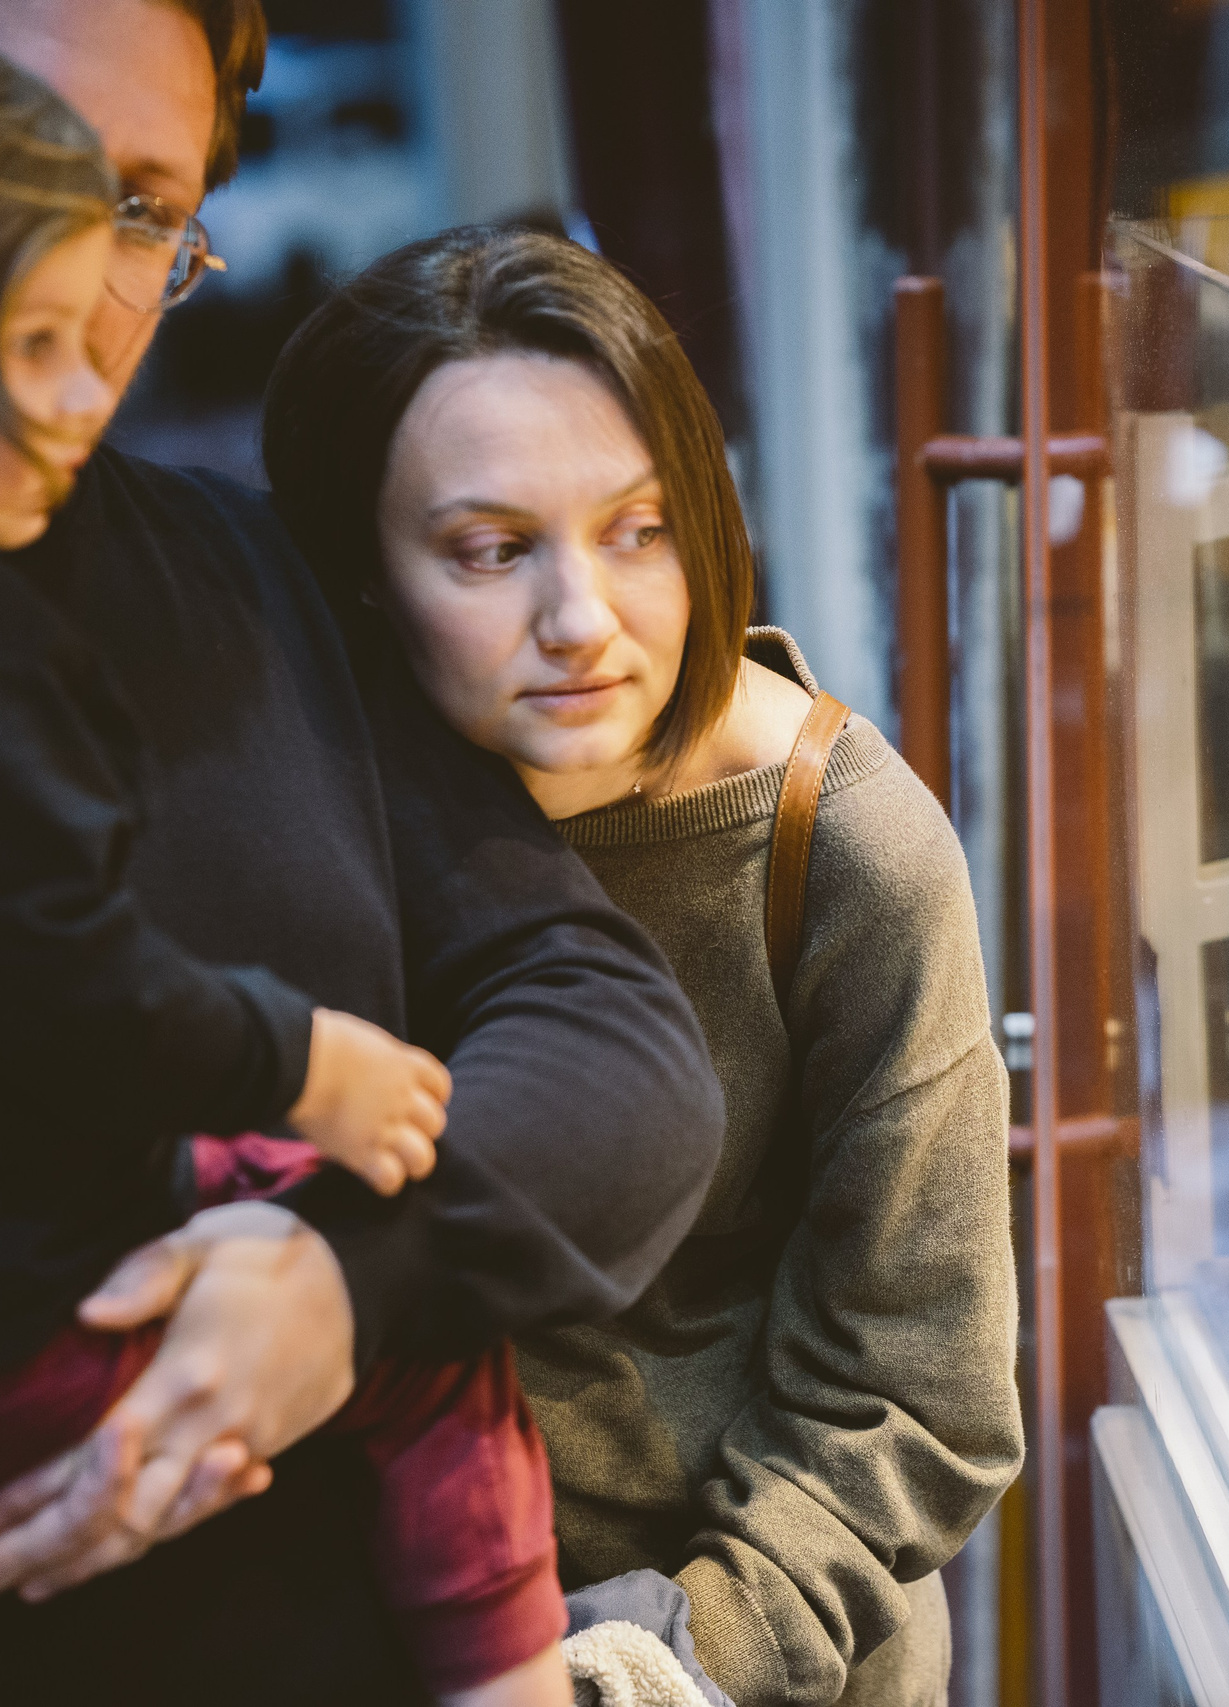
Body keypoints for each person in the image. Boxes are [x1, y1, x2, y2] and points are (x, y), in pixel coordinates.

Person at [0, 2, 723, 1698]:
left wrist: (344, 1286)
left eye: (137, 207)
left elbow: (615, 1050)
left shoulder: (257, 582)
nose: (66, 275)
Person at [262, 228, 1024, 1707]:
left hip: (743, 1649)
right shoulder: (306, 812)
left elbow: (918, 1394)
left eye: (640, 527)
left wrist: (656, 1661)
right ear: (358, 570)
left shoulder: (846, 844)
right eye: (491, 550)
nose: (584, 623)